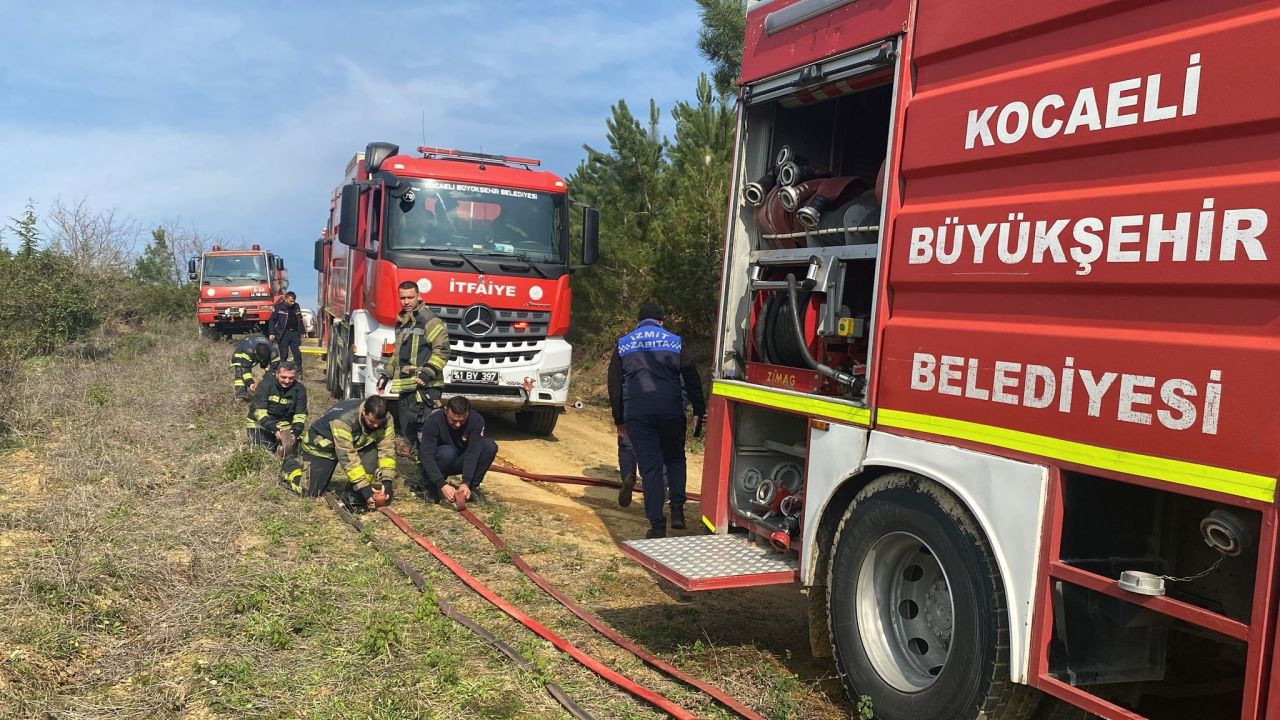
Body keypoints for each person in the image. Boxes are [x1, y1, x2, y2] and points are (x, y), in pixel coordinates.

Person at [608, 302, 706, 539]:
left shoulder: (624, 344)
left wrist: (619, 418)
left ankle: (657, 525)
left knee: (651, 467)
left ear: (638, 322)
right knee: (675, 458)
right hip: (671, 410)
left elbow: (615, 385)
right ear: (661, 321)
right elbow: (692, 376)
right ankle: (678, 511)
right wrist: (699, 409)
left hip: (638, 413)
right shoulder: (675, 341)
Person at [284, 396, 397, 510]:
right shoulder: (343, 420)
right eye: (371, 421)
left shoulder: (386, 418)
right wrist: (365, 488)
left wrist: (387, 481)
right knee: (310, 492)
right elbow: (347, 458)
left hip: (355, 443)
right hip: (322, 448)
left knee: (370, 451)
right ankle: (289, 465)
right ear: (363, 412)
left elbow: (387, 449)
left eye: (379, 423)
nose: (376, 426)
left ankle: (353, 498)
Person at [377, 281, 450, 456]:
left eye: (410, 297)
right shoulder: (403, 321)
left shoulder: (430, 320)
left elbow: (443, 350)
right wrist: (386, 375)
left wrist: (427, 373)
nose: (406, 301)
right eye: (403, 298)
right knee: (408, 434)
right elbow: (397, 355)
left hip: (425, 389)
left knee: (426, 436)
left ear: (418, 296)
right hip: (406, 388)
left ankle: (429, 471)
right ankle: (417, 468)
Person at [418, 396, 498, 508]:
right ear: (446, 411)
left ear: (468, 413)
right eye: (453, 420)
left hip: (459, 460)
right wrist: (441, 484)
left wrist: (466, 482)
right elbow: (426, 455)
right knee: (448, 452)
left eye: (462, 421)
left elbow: (473, 452)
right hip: (441, 460)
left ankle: (471, 488)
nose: (457, 425)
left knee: (489, 446)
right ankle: (431, 487)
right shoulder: (433, 421)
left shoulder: (476, 420)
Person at [246, 361, 307, 457]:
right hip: (260, 425)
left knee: (294, 452)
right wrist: (274, 428)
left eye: (291, 378)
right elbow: (259, 412)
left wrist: (295, 432)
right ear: (277, 374)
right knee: (266, 451)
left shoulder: (300, 389)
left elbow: (300, 415)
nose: (287, 381)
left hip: (284, 426)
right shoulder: (265, 385)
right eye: (283, 377)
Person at [231, 333, 280, 400]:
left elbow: (274, 370)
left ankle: (270, 392)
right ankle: (241, 395)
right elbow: (245, 369)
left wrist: (267, 383)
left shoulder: (274, 352)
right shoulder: (248, 351)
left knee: (271, 373)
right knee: (240, 372)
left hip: (257, 348)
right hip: (241, 352)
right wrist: (250, 383)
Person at [269, 291, 305, 371]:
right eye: (291, 301)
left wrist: (303, 331)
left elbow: (300, 319)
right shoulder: (279, 307)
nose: (293, 303)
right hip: (283, 334)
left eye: (294, 301)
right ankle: (283, 371)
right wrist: (271, 333)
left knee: (297, 355)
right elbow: (272, 320)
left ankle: (298, 372)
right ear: (285, 299)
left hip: (295, 333)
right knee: (284, 355)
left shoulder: (296, 306)